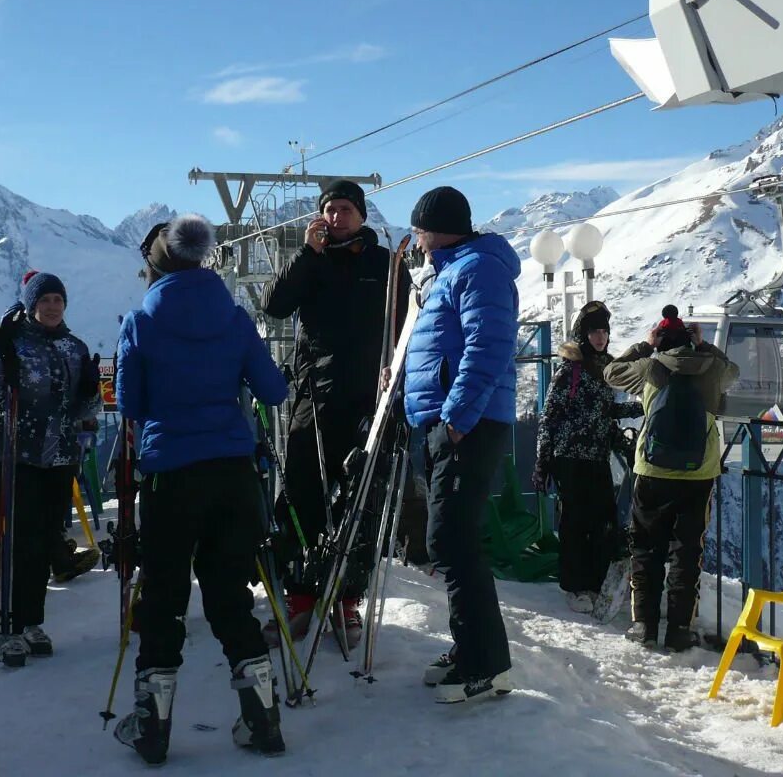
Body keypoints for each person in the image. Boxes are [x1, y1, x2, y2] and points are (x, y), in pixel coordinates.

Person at [113, 215, 289, 765]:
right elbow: (273, 390)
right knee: (230, 594)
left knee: (164, 596)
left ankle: (152, 726)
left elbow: (130, 404)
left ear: (155, 264)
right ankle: (262, 720)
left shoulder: (141, 321)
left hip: (171, 475)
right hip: (234, 473)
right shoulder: (235, 318)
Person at [260, 179, 410, 645]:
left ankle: (346, 600)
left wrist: (397, 378)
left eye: (346, 208)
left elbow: (407, 322)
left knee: (358, 500)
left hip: (368, 396)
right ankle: (301, 595)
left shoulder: (385, 264)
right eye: (330, 209)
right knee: (304, 491)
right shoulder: (312, 261)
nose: (337, 216)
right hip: (314, 392)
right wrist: (306, 255)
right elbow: (274, 306)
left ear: (362, 214)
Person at [403, 185, 519, 705]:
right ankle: (470, 647)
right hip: (451, 422)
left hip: (466, 425)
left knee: (451, 541)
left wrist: (456, 418)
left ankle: (486, 662)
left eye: (418, 229)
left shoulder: (477, 269)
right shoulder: (452, 269)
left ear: (432, 227)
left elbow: (488, 346)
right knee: (452, 540)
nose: (416, 240)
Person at [0, 270, 102, 667]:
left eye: (58, 301)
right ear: (31, 305)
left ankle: (32, 621)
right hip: (17, 453)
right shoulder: (13, 341)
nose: (52, 307)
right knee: (17, 542)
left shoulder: (74, 347)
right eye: (45, 300)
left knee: (47, 538)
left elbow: (87, 409)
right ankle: (7, 627)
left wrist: (89, 393)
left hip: (60, 456)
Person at [604, 304, 739, 652]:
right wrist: (705, 346)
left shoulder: (650, 367)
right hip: (699, 472)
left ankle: (644, 625)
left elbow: (611, 373)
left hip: (652, 470)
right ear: (691, 340)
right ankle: (680, 629)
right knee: (687, 551)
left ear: (661, 339)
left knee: (647, 547)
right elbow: (734, 372)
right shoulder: (711, 368)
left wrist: (645, 346)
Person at [533, 301, 642, 614]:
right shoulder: (571, 368)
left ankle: (595, 581)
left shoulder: (605, 367)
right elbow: (549, 415)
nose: (600, 336)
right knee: (575, 520)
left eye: (604, 330)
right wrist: (542, 460)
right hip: (569, 456)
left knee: (603, 518)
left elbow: (605, 411)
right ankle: (574, 585)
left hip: (596, 455)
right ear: (583, 333)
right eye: (594, 330)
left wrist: (642, 406)